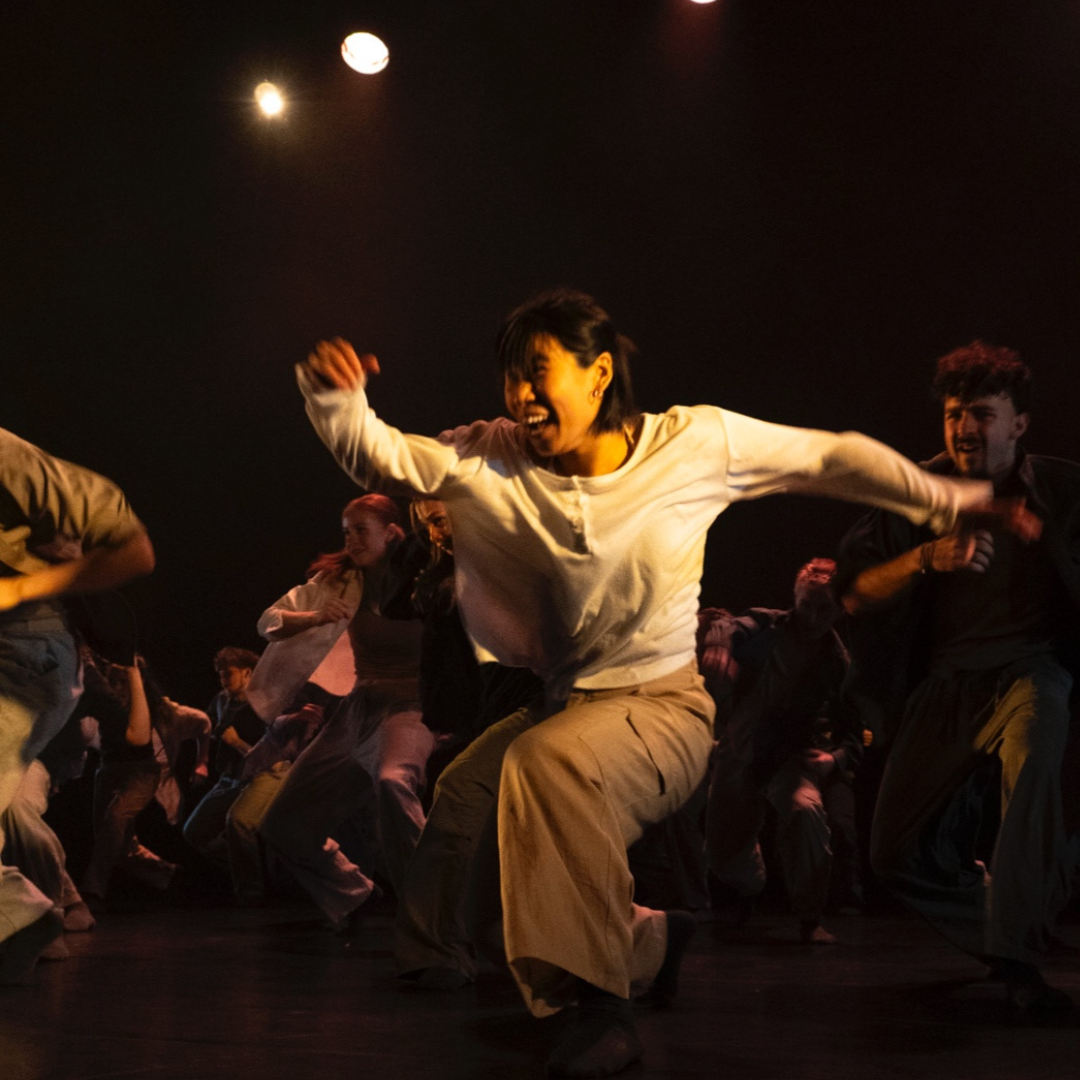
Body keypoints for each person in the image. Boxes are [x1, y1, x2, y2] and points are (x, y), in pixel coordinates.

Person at [296, 289, 1016, 1077]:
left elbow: (831, 456)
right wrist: (339, 402)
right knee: (471, 788)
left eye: (538, 374)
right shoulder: (491, 455)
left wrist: (950, 497)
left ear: (599, 373)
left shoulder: (692, 444)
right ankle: (650, 940)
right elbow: (387, 456)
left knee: (548, 768)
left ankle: (599, 1004)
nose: (521, 398)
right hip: (563, 705)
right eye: (510, 379)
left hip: (663, 708)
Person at [838, 341, 1080, 1017]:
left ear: (1019, 424)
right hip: (946, 686)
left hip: (1031, 673)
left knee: (1034, 766)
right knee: (891, 854)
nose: (965, 428)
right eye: (953, 414)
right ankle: (1011, 931)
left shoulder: (1062, 491)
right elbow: (854, 594)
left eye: (982, 413)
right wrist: (927, 556)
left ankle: (1019, 962)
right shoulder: (913, 492)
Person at [0, 427, 154, 983]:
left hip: (19, 648)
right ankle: (18, 924)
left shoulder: (8, 456)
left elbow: (133, 550)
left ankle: (22, 919)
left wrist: (24, 587)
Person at [258, 496, 435, 929]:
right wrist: (314, 617)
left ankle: (435, 909)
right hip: (358, 710)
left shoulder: (429, 578)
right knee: (281, 825)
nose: (351, 540)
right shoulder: (341, 581)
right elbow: (269, 622)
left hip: (411, 708)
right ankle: (356, 893)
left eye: (361, 530)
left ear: (392, 532)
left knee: (394, 782)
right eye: (346, 531)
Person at [705, 558, 860, 944]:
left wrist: (837, 758)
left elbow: (858, 726)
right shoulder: (768, 625)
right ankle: (751, 887)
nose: (812, 616)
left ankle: (811, 917)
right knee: (725, 850)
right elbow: (726, 624)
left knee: (805, 812)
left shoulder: (839, 662)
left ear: (840, 608)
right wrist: (719, 646)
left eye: (824, 608)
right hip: (741, 748)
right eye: (806, 604)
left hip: (790, 758)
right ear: (795, 598)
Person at [181, 648, 263, 871]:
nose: (223, 679)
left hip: (256, 779)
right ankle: (247, 868)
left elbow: (271, 755)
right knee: (194, 831)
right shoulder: (221, 700)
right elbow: (205, 729)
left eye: (228, 673)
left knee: (238, 824)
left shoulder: (262, 704)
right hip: (228, 778)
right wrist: (202, 762)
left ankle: (253, 890)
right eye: (220, 674)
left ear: (247, 672)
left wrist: (237, 743)